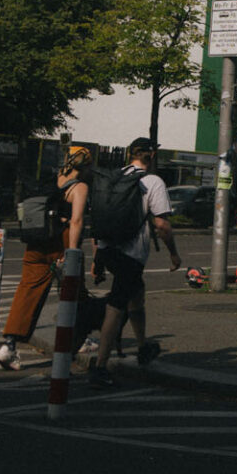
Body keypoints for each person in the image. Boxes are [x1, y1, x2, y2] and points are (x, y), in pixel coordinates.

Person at [0, 146, 92, 370]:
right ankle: (80, 338)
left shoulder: (53, 180)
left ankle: (8, 346)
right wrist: (72, 252)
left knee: (27, 291)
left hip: (37, 241)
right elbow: (76, 221)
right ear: (85, 166)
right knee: (75, 290)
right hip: (61, 240)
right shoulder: (79, 187)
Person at [87, 137, 173, 389]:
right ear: (152, 155)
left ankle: (143, 346)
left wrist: (97, 257)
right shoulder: (153, 181)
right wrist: (174, 254)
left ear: (129, 155)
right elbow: (162, 225)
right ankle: (100, 366)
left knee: (137, 293)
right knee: (116, 306)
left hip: (107, 249)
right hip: (130, 255)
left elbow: (99, 218)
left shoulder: (114, 177)